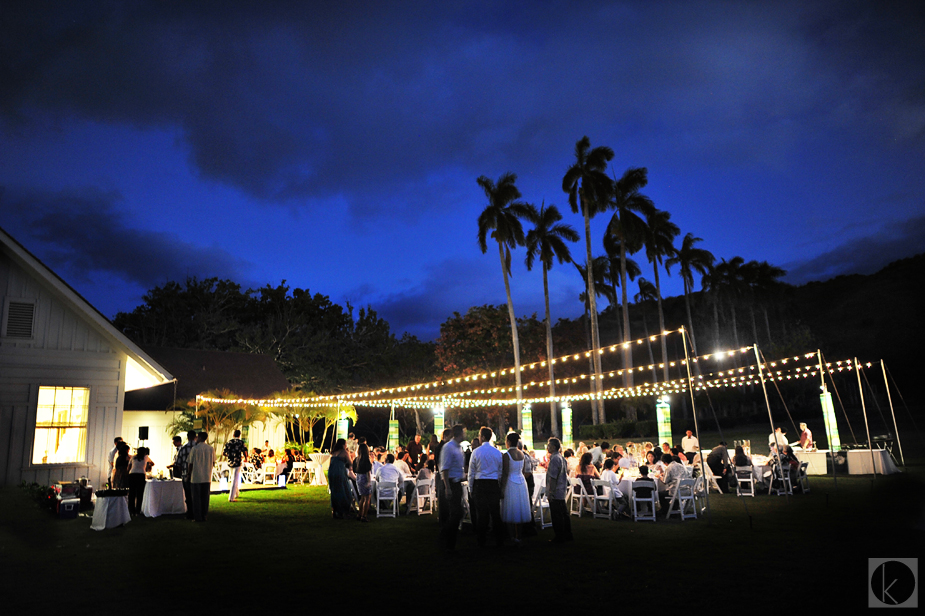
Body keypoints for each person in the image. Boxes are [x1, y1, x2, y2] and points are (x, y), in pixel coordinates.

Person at [467, 426, 505, 547]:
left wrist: (470, 488)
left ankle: (481, 540)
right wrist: (499, 485)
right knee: (495, 513)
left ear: (482, 437)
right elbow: (500, 471)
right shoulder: (497, 452)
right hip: (493, 483)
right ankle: (499, 539)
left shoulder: (476, 452)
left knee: (481, 514)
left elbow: (471, 472)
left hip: (480, 484)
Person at [500, 432, 531, 545]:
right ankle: (519, 536)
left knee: (510, 508)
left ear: (508, 442)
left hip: (511, 482)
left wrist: (502, 488)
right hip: (521, 481)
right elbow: (522, 470)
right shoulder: (522, 454)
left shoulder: (507, 455)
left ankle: (512, 536)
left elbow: (505, 473)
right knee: (519, 508)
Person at [439, 424, 466, 551]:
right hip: (451, 483)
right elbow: (444, 468)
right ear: (460, 433)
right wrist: (447, 487)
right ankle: (447, 539)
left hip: (457, 482)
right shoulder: (448, 447)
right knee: (457, 513)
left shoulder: (459, 447)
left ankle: (447, 536)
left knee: (458, 512)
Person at [544, 438, 572, 542]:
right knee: (563, 513)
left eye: (549, 445)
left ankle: (559, 536)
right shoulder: (561, 458)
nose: (547, 447)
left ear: (554, 447)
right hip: (561, 489)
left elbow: (553, 477)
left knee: (557, 514)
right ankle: (567, 534)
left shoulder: (555, 459)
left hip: (556, 490)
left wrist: (550, 492)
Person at [187, 432, 215, 522]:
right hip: (207, 476)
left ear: (199, 437)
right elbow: (213, 462)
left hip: (196, 477)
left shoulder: (195, 449)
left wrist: (188, 474)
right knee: (205, 498)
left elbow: (190, 463)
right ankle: (204, 515)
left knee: (196, 498)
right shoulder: (211, 449)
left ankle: (197, 517)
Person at [328, 439, 352, 519]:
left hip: (332, 472)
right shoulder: (344, 452)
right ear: (343, 444)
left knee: (334, 491)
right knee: (345, 490)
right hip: (340, 472)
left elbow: (330, 463)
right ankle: (345, 511)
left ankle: (335, 511)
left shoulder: (333, 453)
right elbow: (350, 462)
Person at [434, 428, 453, 528]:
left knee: (444, 500)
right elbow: (440, 463)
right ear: (446, 436)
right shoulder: (441, 447)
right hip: (442, 475)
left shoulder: (443, 447)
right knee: (443, 499)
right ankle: (443, 520)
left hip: (443, 475)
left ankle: (445, 519)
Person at [127, 446, 153, 516]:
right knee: (140, 493)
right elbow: (152, 463)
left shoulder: (133, 457)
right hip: (141, 475)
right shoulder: (146, 457)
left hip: (132, 474)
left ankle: (131, 510)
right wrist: (147, 467)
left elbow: (128, 467)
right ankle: (138, 510)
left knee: (132, 493)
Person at [176, 431, 196, 519]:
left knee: (188, 495)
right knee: (196, 495)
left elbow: (178, 463)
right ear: (195, 437)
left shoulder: (183, 448)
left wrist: (182, 473)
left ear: (187, 437)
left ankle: (190, 513)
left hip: (185, 475)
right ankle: (197, 512)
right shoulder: (198, 447)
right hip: (197, 475)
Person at [223, 429, 248, 501]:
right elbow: (245, 450)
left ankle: (236, 493)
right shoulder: (241, 442)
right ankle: (231, 497)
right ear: (239, 435)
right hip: (237, 462)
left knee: (233, 477)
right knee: (235, 479)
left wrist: (229, 455)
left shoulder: (229, 442)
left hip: (230, 462)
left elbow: (224, 453)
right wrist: (246, 458)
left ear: (233, 435)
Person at [354, 442, 372, 522]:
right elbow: (368, 472)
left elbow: (354, 469)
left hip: (358, 478)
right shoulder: (366, 460)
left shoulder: (357, 459)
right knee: (367, 498)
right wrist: (369, 481)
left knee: (362, 497)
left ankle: (359, 514)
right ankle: (364, 516)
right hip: (364, 478)